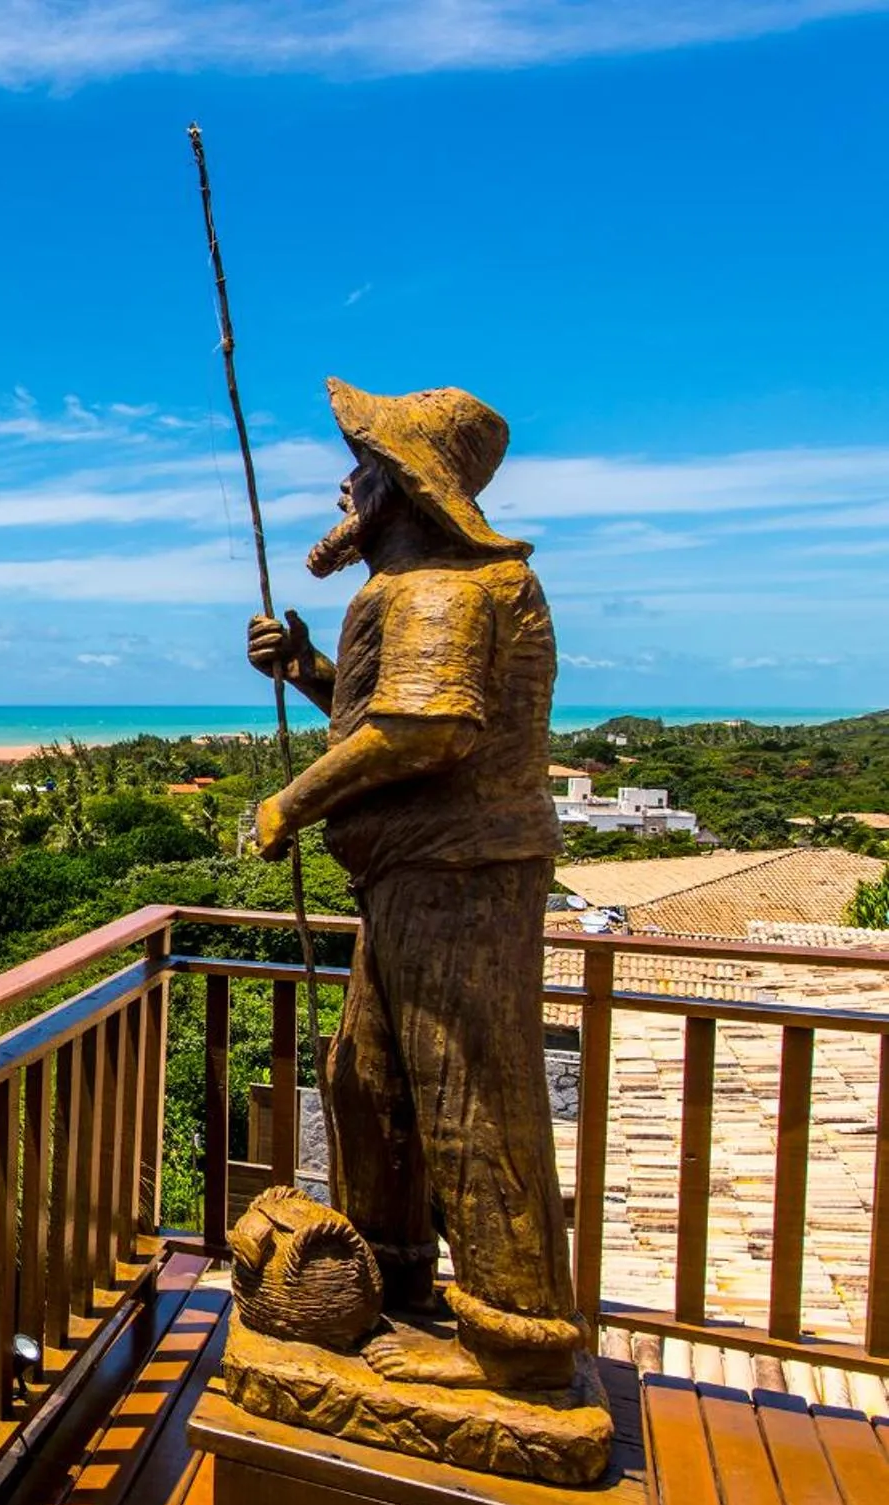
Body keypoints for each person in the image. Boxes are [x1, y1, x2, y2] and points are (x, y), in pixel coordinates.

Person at [245, 379, 575, 1391]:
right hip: (415, 879)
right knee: (371, 1085)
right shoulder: (429, 585)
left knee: (469, 1096)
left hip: (452, 881)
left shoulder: (440, 586)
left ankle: (515, 1340)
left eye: (362, 469)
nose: (345, 485)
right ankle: (385, 1277)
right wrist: (307, 667)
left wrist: (292, 800)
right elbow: (394, 714)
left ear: (401, 488)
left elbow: (428, 729)